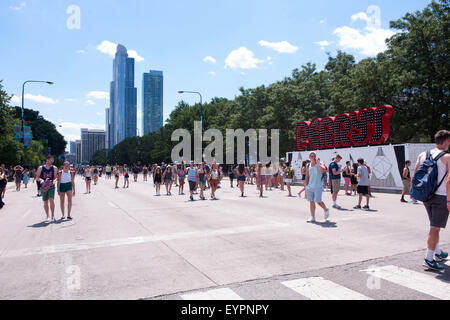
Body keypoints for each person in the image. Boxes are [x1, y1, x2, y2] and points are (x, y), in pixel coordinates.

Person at [411, 130, 450, 271]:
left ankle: (438, 252)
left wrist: (413, 193)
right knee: (434, 229)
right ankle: (428, 258)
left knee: (435, 226)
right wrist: (449, 201)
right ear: (446, 141)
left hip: (426, 195)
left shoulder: (423, 154)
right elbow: (449, 181)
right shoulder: (447, 157)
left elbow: (415, 174)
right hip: (440, 197)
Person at [305, 152, 330, 223]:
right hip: (310, 186)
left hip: (318, 186)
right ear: (309, 157)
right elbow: (307, 176)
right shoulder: (308, 165)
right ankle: (312, 217)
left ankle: (326, 209)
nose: (313, 157)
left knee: (318, 201)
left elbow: (323, 170)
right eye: (311, 155)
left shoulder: (320, 163)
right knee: (311, 201)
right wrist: (306, 185)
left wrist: (318, 163)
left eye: (314, 155)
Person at [36, 155, 58, 222]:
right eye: (51, 160)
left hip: (51, 186)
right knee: (45, 201)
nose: (52, 161)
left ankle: (53, 215)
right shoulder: (41, 168)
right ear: (47, 160)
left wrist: (54, 181)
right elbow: (37, 177)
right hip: (44, 187)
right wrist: (41, 180)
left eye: (52, 160)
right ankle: (47, 216)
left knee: (51, 199)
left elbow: (55, 177)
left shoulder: (54, 168)